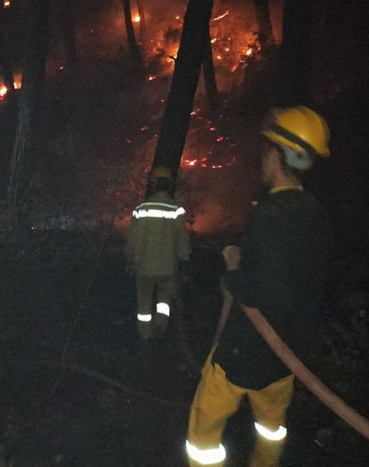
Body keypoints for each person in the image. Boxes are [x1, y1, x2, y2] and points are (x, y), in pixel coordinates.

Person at [185, 106, 333, 467]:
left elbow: (257, 292)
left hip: (243, 354)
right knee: (271, 431)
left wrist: (232, 268)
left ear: (278, 155)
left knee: (204, 432)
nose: (263, 158)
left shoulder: (268, 216)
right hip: (286, 357)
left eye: (267, 150)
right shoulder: (317, 214)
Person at [125, 166, 191, 341]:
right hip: (168, 268)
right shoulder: (176, 210)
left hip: (144, 267)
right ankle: (161, 329)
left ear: (153, 184)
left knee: (144, 303)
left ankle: (145, 336)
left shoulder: (141, 209)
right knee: (164, 301)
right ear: (169, 185)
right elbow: (182, 240)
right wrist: (184, 260)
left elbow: (133, 239)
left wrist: (130, 258)